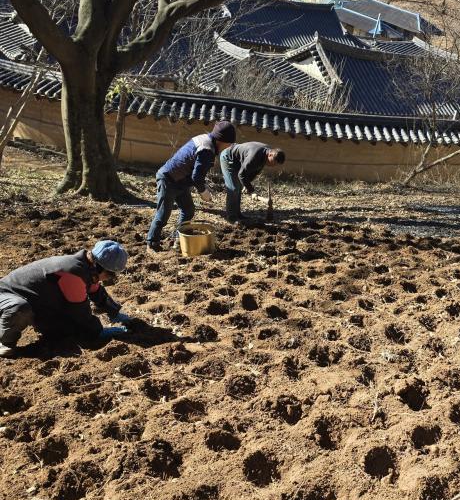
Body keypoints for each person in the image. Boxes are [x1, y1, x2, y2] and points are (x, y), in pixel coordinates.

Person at [0, 240, 130, 358]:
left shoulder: (86, 268)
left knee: (65, 330)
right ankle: (5, 342)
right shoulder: (73, 273)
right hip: (6, 296)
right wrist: (100, 331)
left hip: (35, 300)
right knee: (19, 309)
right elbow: (81, 315)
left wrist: (115, 312)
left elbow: (97, 293)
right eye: (111, 274)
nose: (110, 278)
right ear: (98, 267)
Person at [146, 120, 236, 252]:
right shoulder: (207, 150)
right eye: (228, 144)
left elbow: (196, 171)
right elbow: (196, 177)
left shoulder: (205, 138)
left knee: (188, 210)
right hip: (168, 179)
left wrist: (202, 186)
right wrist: (203, 191)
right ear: (221, 141)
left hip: (181, 180)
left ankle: (178, 238)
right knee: (163, 214)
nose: (228, 147)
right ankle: (152, 243)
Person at [220, 142, 285, 222]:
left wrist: (246, 184)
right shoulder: (255, 155)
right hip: (228, 158)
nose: (273, 166)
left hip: (238, 162)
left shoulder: (265, 155)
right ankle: (232, 217)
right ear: (270, 155)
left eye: (276, 164)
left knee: (238, 187)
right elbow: (241, 174)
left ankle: (237, 214)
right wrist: (251, 191)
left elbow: (255, 171)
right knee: (233, 188)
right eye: (273, 162)